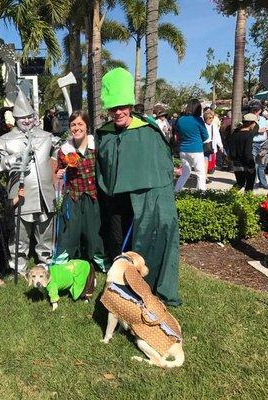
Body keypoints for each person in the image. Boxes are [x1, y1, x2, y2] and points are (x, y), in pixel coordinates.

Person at [96, 67, 181, 306]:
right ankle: (120, 284)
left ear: (131, 106)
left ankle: (144, 285)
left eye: (123, 106)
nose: (119, 112)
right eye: (114, 108)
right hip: (116, 201)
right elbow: (102, 166)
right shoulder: (105, 133)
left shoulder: (148, 130)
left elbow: (160, 165)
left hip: (143, 201)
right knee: (117, 240)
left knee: (143, 241)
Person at [0, 90, 60, 275]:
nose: (27, 121)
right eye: (23, 118)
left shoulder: (46, 136)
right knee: (19, 234)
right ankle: (18, 266)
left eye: (30, 117)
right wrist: (15, 159)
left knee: (45, 231)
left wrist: (59, 168)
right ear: (15, 119)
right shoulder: (5, 140)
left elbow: (57, 155)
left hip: (45, 192)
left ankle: (45, 261)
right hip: (20, 193)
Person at [54, 110, 107, 271]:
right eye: (73, 125)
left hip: (93, 194)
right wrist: (59, 172)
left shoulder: (96, 145)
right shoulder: (64, 150)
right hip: (73, 195)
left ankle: (100, 259)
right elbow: (59, 169)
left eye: (80, 124)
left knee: (94, 230)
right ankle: (62, 258)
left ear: (87, 126)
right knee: (70, 229)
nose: (76, 128)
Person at [174, 99, 209, 192]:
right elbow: (206, 136)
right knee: (200, 173)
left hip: (183, 149)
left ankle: (176, 191)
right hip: (196, 149)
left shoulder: (180, 120)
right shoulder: (198, 120)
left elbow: (177, 134)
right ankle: (201, 195)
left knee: (185, 173)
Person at [227, 113, 258, 191]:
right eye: (254, 123)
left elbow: (231, 149)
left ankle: (228, 196)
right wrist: (251, 166)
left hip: (236, 163)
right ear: (251, 123)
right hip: (246, 164)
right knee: (249, 185)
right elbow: (247, 152)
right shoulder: (249, 135)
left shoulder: (235, 133)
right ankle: (247, 201)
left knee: (239, 183)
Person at [249, 99, 268, 189]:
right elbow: (247, 130)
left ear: (260, 110)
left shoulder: (263, 119)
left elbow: (266, 128)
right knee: (254, 164)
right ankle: (253, 182)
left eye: (257, 110)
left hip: (263, 143)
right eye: (254, 110)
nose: (255, 112)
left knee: (262, 164)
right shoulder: (249, 118)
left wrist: (266, 130)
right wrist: (257, 131)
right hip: (254, 143)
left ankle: (263, 183)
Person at [203, 108, 224, 182]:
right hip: (204, 146)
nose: (212, 119)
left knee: (205, 162)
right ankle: (204, 177)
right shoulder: (203, 125)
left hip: (208, 146)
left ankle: (204, 177)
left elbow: (217, 136)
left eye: (212, 118)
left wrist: (220, 145)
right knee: (204, 162)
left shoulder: (213, 126)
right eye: (210, 118)